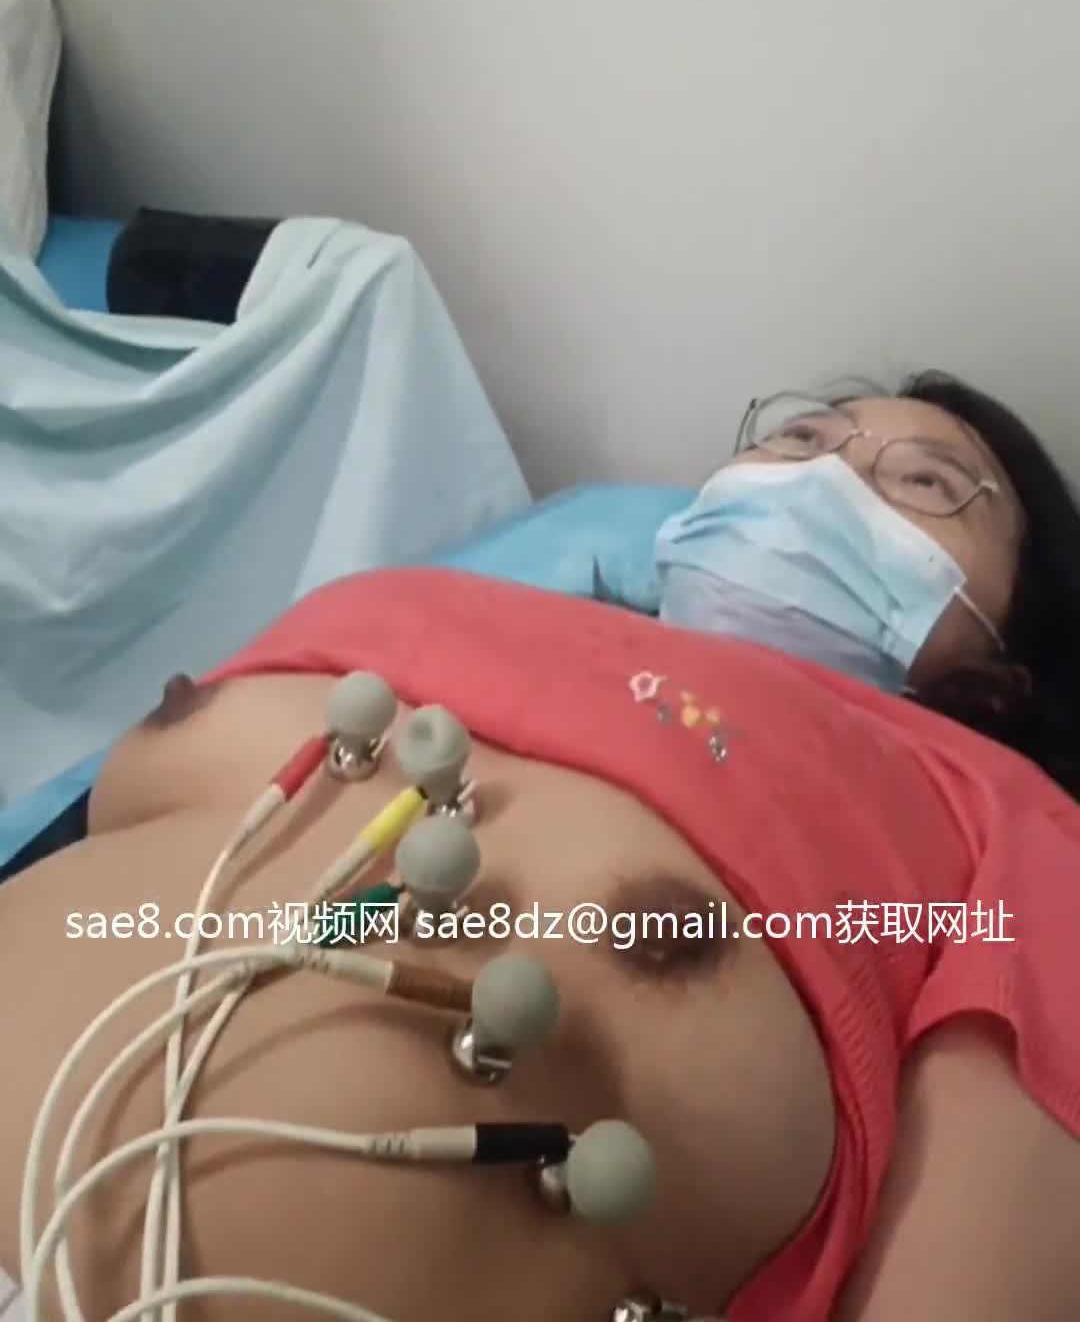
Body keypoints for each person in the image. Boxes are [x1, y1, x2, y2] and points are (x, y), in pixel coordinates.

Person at [3, 372, 1080, 1322]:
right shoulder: (422, 602)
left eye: (927, 482)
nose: (826, 475)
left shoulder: (997, 811)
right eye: (801, 438)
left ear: (1000, 677)